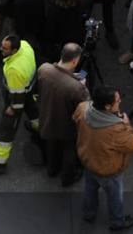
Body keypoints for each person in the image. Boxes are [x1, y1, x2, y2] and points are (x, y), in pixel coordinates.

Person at [74, 85, 133, 230]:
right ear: (107, 106)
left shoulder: (83, 108)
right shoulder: (116, 129)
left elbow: (76, 119)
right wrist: (127, 125)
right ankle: (117, 222)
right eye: (117, 101)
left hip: (88, 161)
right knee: (115, 197)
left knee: (90, 190)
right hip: (108, 170)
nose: (120, 101)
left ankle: (89, 214)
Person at [0, 32, 39, 174]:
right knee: (33, 111)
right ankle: (39, 128)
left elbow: (17, 95)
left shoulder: (14, 70)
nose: (1, 50)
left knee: (7, 129)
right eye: (2, 46)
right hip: (29, 89)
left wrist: (13, 108)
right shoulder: (25, 46)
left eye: (5, 48)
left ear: (14, 50)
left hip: (17, 95)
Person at [36, 42, 89, 186]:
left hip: (46, 118)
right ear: (74, 61)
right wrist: (83, 87)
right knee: (69, 151)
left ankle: (52, 169)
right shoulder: (76, 87)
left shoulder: (44, 69)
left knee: (51, 146)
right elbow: (85, 106)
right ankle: (67, 178)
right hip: (66, 126)